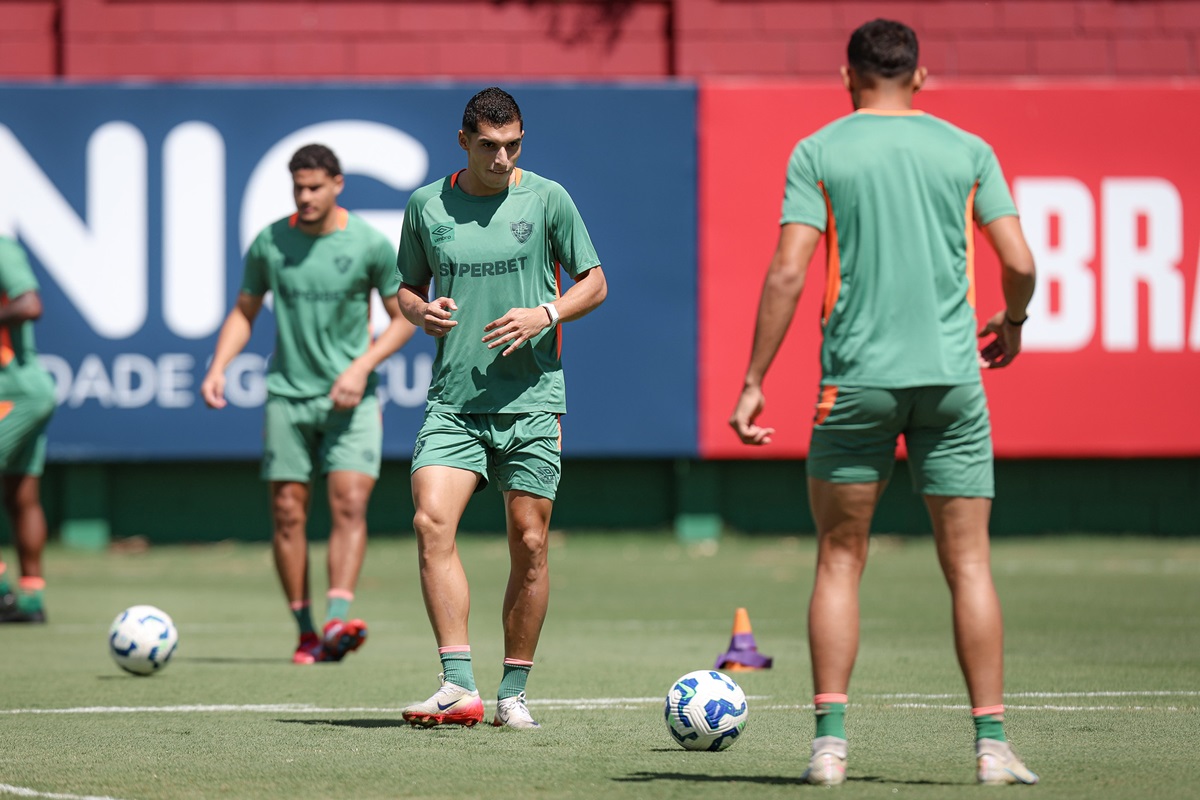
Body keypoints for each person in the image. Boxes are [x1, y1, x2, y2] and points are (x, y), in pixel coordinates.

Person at [729, 19, 1038, 786]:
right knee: (969, 564)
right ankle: (993, 748)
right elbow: (1021, 262)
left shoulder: (821, 151)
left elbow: (787, 274)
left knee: (839, 559)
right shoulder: (968, 151)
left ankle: (830, 747)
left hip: (855, 385)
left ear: (848, 78)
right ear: (921, 78)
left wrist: (753, 378)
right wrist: (1014, 318)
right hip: (953, 383)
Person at [395, 87, 607, 729]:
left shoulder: (548, 199)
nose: (503, 157)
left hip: (532, 403)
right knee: (432, 523)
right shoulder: (426, 205)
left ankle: (514, 689)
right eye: (489, 146)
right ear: (463, 141)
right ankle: (458, 685)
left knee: (531, 542)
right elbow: (406, 287)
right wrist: (419, 312)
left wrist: (546, 312)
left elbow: (594, 282)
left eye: (513, 144)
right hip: (453, 404)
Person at [201, 144, 415, 664]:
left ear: (338, 184)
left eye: (315, 186)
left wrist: (361, 367)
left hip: (353, 399)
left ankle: (338, 618)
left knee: (349, 504)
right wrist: (217, 366)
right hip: (287, 398)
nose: (305, 196)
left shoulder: (368, 244)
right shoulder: (270, 243)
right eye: (298, 187)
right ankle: (305, 631)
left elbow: (405, 316)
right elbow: (243, 312)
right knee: (287, 513)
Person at [0, 236, 57, 625]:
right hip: (21, 390)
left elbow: (30, 304)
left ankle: (2, 594)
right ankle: (32, 602)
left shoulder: (2, 249)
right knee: (22, 492)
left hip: (15, 388)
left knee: (21, 493)